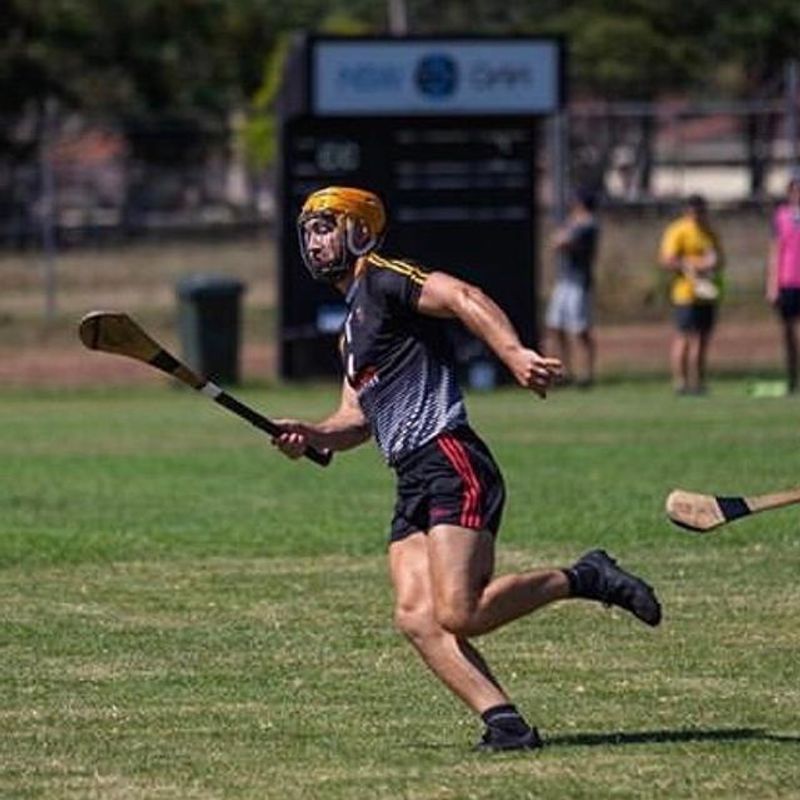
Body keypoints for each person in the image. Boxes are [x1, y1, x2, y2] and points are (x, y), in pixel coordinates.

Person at [272, 186, 662, 752]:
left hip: (450, 458)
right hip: (410, 476)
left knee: (462, 611)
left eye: (326, 226)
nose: (315, 240)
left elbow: (462, 296)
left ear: (360, 229)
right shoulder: (349, 333)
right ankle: (504, 723)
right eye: (308, 230)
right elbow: (354, 420)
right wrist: (310, 434)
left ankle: (586, 576)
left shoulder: (384, 277)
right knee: (416, 616)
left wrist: (513, 353)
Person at [658, 194, 725, 395]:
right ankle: (680, 382)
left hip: (707, 292)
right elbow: (667, 259)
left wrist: (712, 264)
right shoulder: (678, 230)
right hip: (685, 293)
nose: (697, 215)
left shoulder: (710, 233)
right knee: (684, 337)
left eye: (701, 211)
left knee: (702, 339)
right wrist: (691, 264)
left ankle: (698, 382)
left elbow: (720, 259)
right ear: (687, 211)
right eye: (693, 210)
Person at [545, 188, 600, 388]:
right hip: (565, 281)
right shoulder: (575, 223)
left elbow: (561, 241)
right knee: (555, 326)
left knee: (580, 330)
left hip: (579, 283)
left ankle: (586, 374)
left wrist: (564, 233)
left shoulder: (589, 225)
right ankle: (565, 371)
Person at [766, 171, 800, 393]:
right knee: (788, 334)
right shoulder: (780, 216)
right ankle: (792, 379)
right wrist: (771, 285)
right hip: (787, 282)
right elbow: (775, 252)